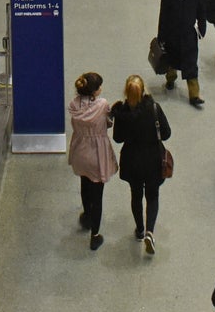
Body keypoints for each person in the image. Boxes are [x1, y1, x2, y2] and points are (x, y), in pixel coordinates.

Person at [108, 74, 171, 255]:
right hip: (153, 159)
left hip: (132, 160)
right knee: (152, 195)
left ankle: (139, 229)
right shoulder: (153, 108)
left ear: (126, 92)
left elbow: (118, 138)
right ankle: (150, 231)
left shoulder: (122, 114)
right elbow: (166, 133)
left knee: (136, 195)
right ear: (143, 91)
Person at [67, 71, 118, 251]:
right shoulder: (102, 105)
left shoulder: (74, 104)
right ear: (94, 91)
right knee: (98, 195)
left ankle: (87, 215)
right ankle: (95, 235)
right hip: (97, 153)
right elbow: (108, 123)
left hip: (80, 150)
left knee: (84, 182)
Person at [155, 0, 207, 106]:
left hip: (189, 36)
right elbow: (163, 15)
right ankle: (170, 79)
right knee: (171, 62)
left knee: (191, 65)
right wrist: (161, 37)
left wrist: (202, 29)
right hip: (172, 36)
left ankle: (194, 95)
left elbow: (201, 13)